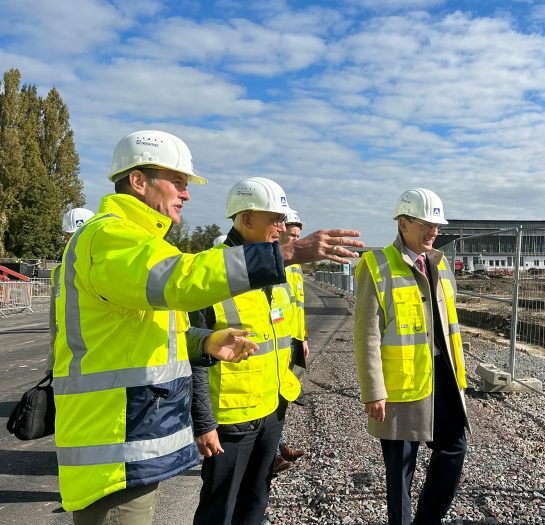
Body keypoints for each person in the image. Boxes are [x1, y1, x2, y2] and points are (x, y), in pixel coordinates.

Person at [52, 130, 362, 524]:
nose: (187, 194)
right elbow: (181, 280)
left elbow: (147, 333)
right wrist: (286, 253)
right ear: (138, 180)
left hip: (135, 433)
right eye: (178, 182)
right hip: (114, 444)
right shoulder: (111, 235)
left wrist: (204, 341)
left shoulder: (140, 241)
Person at [190, 178, 304, 523]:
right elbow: (192, 353)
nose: (282, 228)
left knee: (255, 501)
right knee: (219, 508)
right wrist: (203, 422)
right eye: (275, 220)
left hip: (271, 410)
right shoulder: (209, 272)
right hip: (230, 420)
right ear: (246, 218)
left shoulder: (276, 273)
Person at [353, 188, 470, 525]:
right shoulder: (375, 266)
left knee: (454, 448)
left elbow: (449, 325)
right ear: (403, 224)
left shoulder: (441, 263)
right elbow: (366, 333)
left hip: (443, 377)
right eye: (426, 224)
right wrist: (373, 389)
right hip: (400, 384)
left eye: (437, 224)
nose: (434, 231)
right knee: (400, 473)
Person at [272, 210, 308, 475]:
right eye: (291, 235)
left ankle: (278, 444)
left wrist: (303, 336)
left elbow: (297, 305)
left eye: (298, 236)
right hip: (275, 340)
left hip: (292, 341)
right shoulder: (269, 262)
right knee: (273, 396)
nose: (295, 240)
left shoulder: (294, 265)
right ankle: (272, 452)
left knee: (283, 395)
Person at [47, 208, 96, 373]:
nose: (75, 241)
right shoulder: (58, 273)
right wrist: (51, 364)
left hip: (99, 357)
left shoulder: (102, 268)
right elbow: (55, 326)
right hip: (67, 363)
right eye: (71, 236)